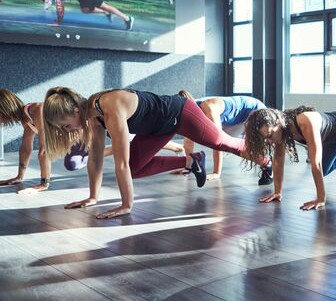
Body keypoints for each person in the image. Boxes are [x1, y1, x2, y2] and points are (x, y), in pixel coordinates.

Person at [42, 87, 250, 219]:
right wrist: (92, 197)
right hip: (157, 129)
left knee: (220, 142)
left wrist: (126, 205)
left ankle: (263, 158)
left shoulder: (110, 106)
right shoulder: (94, 116)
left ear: (76, 111)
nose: (66, 131)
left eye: (65, 125)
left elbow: (120, 162)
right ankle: (191, 162)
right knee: (135, 168)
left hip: (179, 112)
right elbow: (95, 158)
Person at [244, 106, 336, 210]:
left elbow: (316, 162)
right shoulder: (280, 130)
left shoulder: (305, 120)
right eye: (266, 138)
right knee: (324, 170)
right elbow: (278, 160)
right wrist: (277, 192)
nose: (270, 141)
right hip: (333, 138)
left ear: (277, 122)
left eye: (269, 135)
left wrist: (320, 199)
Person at [178, 90, 271, 185]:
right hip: (233, 120)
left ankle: (267, 165)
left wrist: (216, 172)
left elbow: (218, 141)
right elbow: (188, 141)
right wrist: (188, 165)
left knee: (228, 145)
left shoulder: (208, 107)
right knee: (226, 145)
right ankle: (266, 161)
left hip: (253, 109)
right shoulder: (189, 111)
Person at [0, 89, 52, 194]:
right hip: (76, 141)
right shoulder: (26, 117)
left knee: (72, 164)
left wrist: (44, 183)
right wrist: (19, 176)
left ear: (4, 109)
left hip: (85, 136)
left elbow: (45, 150)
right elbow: (25, 149)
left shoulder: (37, 110)